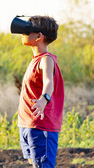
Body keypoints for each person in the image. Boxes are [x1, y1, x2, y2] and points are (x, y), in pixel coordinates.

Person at [17, 15, 64, 168]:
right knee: (35, 164)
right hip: (27, 124)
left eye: (27, 30)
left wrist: (44, 98)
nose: (23, 33)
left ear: (39, 36)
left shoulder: (46, 59)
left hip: (41, 126)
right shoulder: (35, 59)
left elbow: (48, 81)